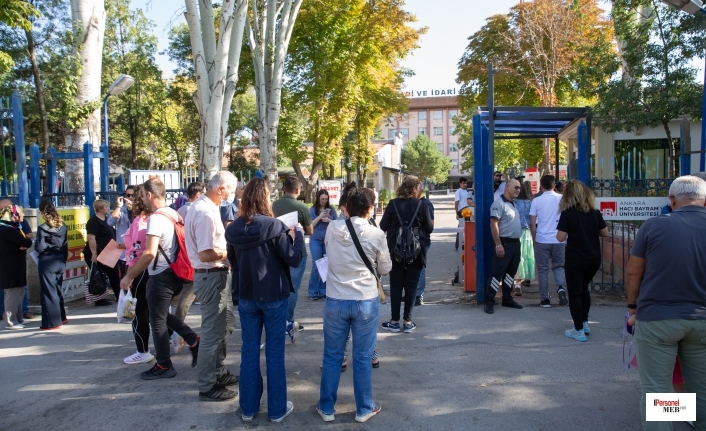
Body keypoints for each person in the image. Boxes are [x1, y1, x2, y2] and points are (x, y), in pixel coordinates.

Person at [625, 175, 706, 431]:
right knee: (701, 388)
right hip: (702, 320)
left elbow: (633, 272)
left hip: (658, 319)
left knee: (658, 390)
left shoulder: (653, 226)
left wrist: (632, 306)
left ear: (671, 200)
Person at [225, 178, 304, 423]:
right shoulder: (274, 226)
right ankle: (277, 409)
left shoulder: (234, 228)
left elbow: (232, 261)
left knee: (249, 351)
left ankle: (248, 408)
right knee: (274, 352)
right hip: (273, 294)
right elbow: (294, 259)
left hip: (247, 295)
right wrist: (297, 236)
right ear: (265, 198)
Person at [317, 187, 391, 423]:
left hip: (336, 299)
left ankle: (326, 408)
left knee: (332, 356)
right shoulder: (376, 234)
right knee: (362, 357)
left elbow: (327, 253)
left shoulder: (333, 227)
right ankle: (364, 409)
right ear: (370, 209)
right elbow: (385, 269)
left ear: (347, 206)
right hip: (365, 301)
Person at [119, 178, 200, 380]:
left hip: (161, 275)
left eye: (143, 195)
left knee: (157, 321)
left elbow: (148, 253)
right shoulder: (173, 213)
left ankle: (164, 364)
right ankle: (192, 338)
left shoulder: (156, 218)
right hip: (175, 271)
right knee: (160, 314)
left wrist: (129, 276)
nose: (142, 200)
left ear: (149, 195)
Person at [184, 171, 239, 401]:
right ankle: (207, 384)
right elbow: (206, 254)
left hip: (217, 274)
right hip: (210, 275)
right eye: (231, 191)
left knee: (225, 326)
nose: (232, 196)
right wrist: (231, 252)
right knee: (211, 333)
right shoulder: (205, 212)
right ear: (221, 189)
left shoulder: (207, 208)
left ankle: (217, 371)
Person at [555, 181, 609, 342]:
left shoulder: (568, 213)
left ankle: (577, 329)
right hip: (593, 257)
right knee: (584, 289)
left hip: (575, 258)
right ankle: (585, 322)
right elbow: (605, 233)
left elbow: (560, 237)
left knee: (575, 293)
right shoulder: (594, 212)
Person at [379, 176, 434, 333]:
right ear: (415, 189)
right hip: (415, 253)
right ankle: (408, 321)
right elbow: (429, 229)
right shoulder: (421, 205)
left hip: (395, 252)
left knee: (396, 285)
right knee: (411, 286)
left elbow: (383, 225)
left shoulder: (392, 204)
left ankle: (394, 321)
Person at [272, 176, 313, 338]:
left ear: (283, 189)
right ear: (298, 190)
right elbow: (310, 231)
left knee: (279, 285)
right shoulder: (301, 206)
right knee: (293, 288)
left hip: (277, 250)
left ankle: (277, 318)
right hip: (297, 251)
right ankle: (287, 320)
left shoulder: (274, 205)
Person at [121, 184, 155, 365]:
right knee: (155, 311)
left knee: (140, 312)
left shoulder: (141, 221)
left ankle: (142, 350)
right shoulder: (156, 218)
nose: (130, 200)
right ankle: (181, 335)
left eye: (133, 196)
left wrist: (129, 276)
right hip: (156, 270)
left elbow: (135, 252)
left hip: (141, 271)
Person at [172, 181, 204, 352]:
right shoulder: (198, 210)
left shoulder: (180, 211)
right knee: (187, 296)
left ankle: (177, 329)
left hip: (183, 258)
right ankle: (178, 330)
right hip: (196, 258)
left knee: (186, 294)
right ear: (198, 194)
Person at [484, 179, 524, 314]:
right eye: (516, 187)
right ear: (507, 187)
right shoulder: (499, 204)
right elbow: (493, 224)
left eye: (519, 188)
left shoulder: (512, 203)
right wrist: (498, 245)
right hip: (504, 243)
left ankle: (507, 299)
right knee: (497, 274)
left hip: (515, 244)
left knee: (510, 274)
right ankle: (489, 301)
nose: (518, 190)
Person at [529, 175, 567, 308]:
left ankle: (545, 299)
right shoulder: (562, 199)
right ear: (554, 185)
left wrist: (534, 239)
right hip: (559, 239)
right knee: (558, 266)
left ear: (541, 186)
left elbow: (533, 223)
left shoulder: (536, 201)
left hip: (542, 239)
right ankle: (561, 289)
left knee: (543, 270)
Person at [35, 201, 68, 330]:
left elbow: (39, 247)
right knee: (58, 289)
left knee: (48, 291)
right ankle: (62, 317)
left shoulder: (43, 228)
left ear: (43, 213)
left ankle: (52, 322)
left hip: (47, 261)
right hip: (60, 260)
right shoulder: (63, 226)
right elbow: (65, 245)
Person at [0, 204, 33, 329]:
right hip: (10, 266)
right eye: (20, 213)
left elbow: (26, 242)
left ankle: (18, 319)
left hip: (17, 264)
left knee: (19, 291)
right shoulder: (7, 230)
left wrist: (25, 242)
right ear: (13, 215)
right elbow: (26, 242)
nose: (23, 216)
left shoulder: (13, 228)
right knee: (12, 293)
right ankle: (10, 321)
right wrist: (25, 241)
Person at [84, 199, 121, 306]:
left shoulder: (107, 219)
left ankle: (118, 295)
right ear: (100, 209)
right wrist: (94, 254)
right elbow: (91, 238)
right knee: (99, 275)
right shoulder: (93, 221)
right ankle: (99, 298)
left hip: (108, 252)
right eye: (106, 206)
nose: (108, 208)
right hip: (98, 253)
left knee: (113, 274)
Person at [308, 189, 338, 300]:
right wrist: (320, 217)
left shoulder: (332, 210)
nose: (324, 201)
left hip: (328, 240)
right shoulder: (311, 210)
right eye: (322, 199)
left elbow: (337, 223)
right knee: (316, 265)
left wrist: (328, 220)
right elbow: (309, 225)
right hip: (315, 240)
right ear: (318, 198)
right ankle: (313, 291)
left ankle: (324, 291)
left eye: (326, 199)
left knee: (326, 265)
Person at [108, 186, 135, 279]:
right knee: (123, 280)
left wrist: (132, 210)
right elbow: (110, 222)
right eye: (128, 195)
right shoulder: (122, 210)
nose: (130, 197)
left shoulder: (141, 211)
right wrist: (118, 206)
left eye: (133, 195)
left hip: (136, 253)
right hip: (123, 255)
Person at [513, 181, 534, 296]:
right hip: (527, 233)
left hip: (515, 231)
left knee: (517, 257)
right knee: (526, 257)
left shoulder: (514, 202)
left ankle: (517, 283)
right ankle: (525, 278)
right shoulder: (530, 203)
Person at [415, 194, 435, 305]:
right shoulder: (413, 202)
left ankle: (418, 295)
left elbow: (431, 225)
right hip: (413, 241)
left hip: (422, 240)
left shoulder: (426, 204)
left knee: (420, 267)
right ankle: (414, 293)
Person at [454, 177, 469, 251]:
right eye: (463, 183)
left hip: (467, 211)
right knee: (460, 227)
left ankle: (465, 243)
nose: (465, 185)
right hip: (461, 211)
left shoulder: (467, 191)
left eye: (466, 183)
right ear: (460, 183)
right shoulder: (458, 192)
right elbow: (456, 203)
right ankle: (457, 244)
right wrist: (457, 213)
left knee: (467, 227)